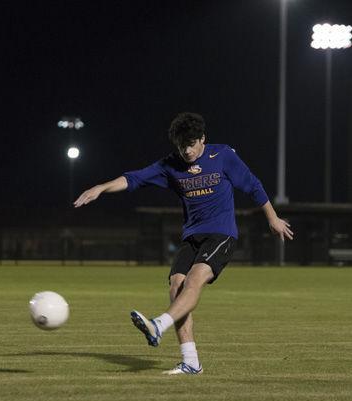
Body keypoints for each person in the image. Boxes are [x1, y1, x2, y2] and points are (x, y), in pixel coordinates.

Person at [74, 112, 293, 375]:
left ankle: (158, 325)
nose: (187, 151)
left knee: (194, 279)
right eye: (181, 146)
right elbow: (134, 178)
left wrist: (273, 218)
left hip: (221, 234)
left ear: (202, 139)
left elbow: (253, 185)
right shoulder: (171, 165)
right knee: (176, 285)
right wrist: (101, 187)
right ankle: (191, 361)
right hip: (192, 236)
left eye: (191, 144)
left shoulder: (222, 155)